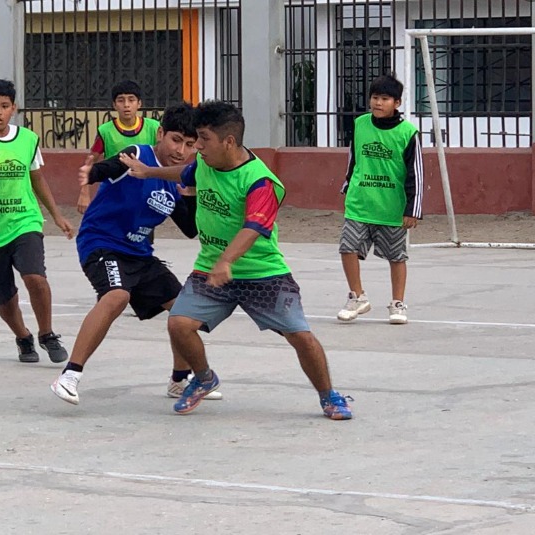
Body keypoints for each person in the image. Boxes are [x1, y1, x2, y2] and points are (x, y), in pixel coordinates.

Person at [121, 100, 352, 419]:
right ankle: (203, 379)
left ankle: (329, 396)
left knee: (300, 335)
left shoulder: (261, 181)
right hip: (210, 269)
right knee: (179, 324)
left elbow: (254, 226)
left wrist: (227, 260)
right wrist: (148, 172)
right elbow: (185, 172)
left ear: (228, 141)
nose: (196, 146)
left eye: (203, 138)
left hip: (262, 272)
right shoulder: (205, 164)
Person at [51, 102, 221, 405]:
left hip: (140, 254)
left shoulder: (174, 179)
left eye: (190, 144)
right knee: (117, 296)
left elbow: (190, 229)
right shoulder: (139, 155)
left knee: (183, 313)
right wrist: (91, 173)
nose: (181, 151)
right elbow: (112, 166)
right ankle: (69, 375)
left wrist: (190, 191)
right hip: (102, 243)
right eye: (175, 140)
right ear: (161, 134)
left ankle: (179, 381)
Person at [0, 79, 74, 363]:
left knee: (35, 276)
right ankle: (23, 336)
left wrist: (56, 215)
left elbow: (37, 178)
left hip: (24, 221)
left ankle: (47, 333)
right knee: (4, 297)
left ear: (14, 109)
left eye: (5, 106)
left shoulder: (28, 139)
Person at [337, 74, 423, 325]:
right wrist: (347, 186)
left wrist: (413, 209)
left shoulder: (408, 133)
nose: (378, 103)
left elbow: (415, 173)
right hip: (360, 202)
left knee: (397, 257)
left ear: (396, 103)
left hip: (391, 208)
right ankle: (357, 296)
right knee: (347, 247)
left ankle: (397, 303)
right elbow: (353, 159)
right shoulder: (361, 124)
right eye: (375, 97)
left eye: (384, 98)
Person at [76, 80, 160, 214]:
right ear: (114, 105)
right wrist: (84, 192)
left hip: (143, 192)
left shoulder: (154, 128)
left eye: (131, 100)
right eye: (121, 100)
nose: (126, 105)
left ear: (139, 103)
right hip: (114, 192)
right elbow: (91, 161)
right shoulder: (105, 131)